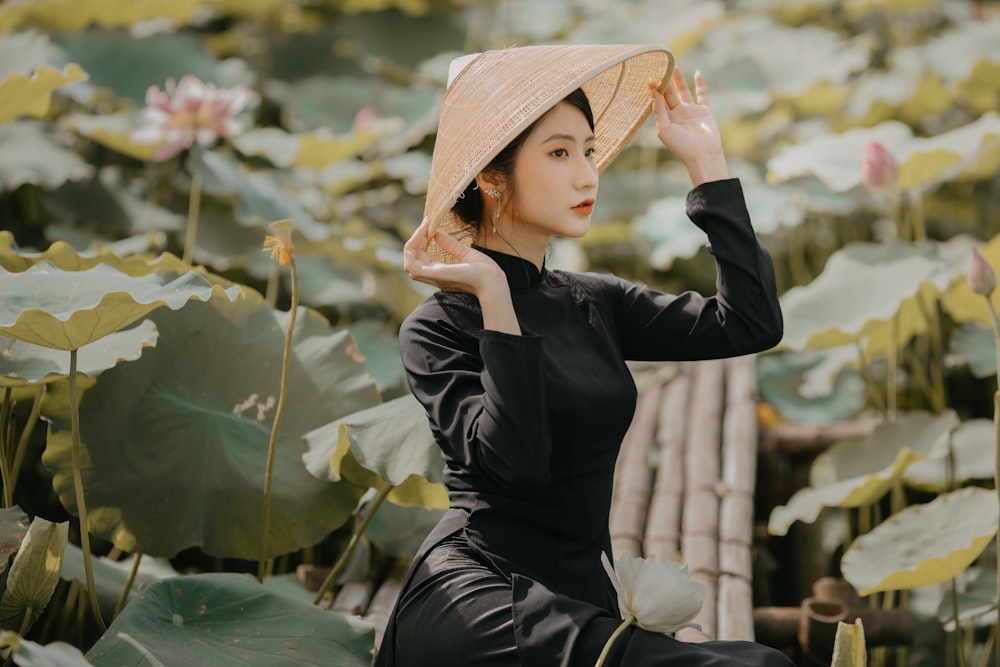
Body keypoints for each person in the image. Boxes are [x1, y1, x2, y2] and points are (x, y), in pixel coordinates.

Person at [374, 44, 790, 666]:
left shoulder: (593, 300)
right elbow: (516, 465)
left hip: (576, 596)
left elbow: (749, 324)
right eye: (560, 153)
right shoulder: (437, 329)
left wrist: (708, 166)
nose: (587, 175)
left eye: (589, 151)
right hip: (485, 603)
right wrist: (493, 294)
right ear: (491, 176)